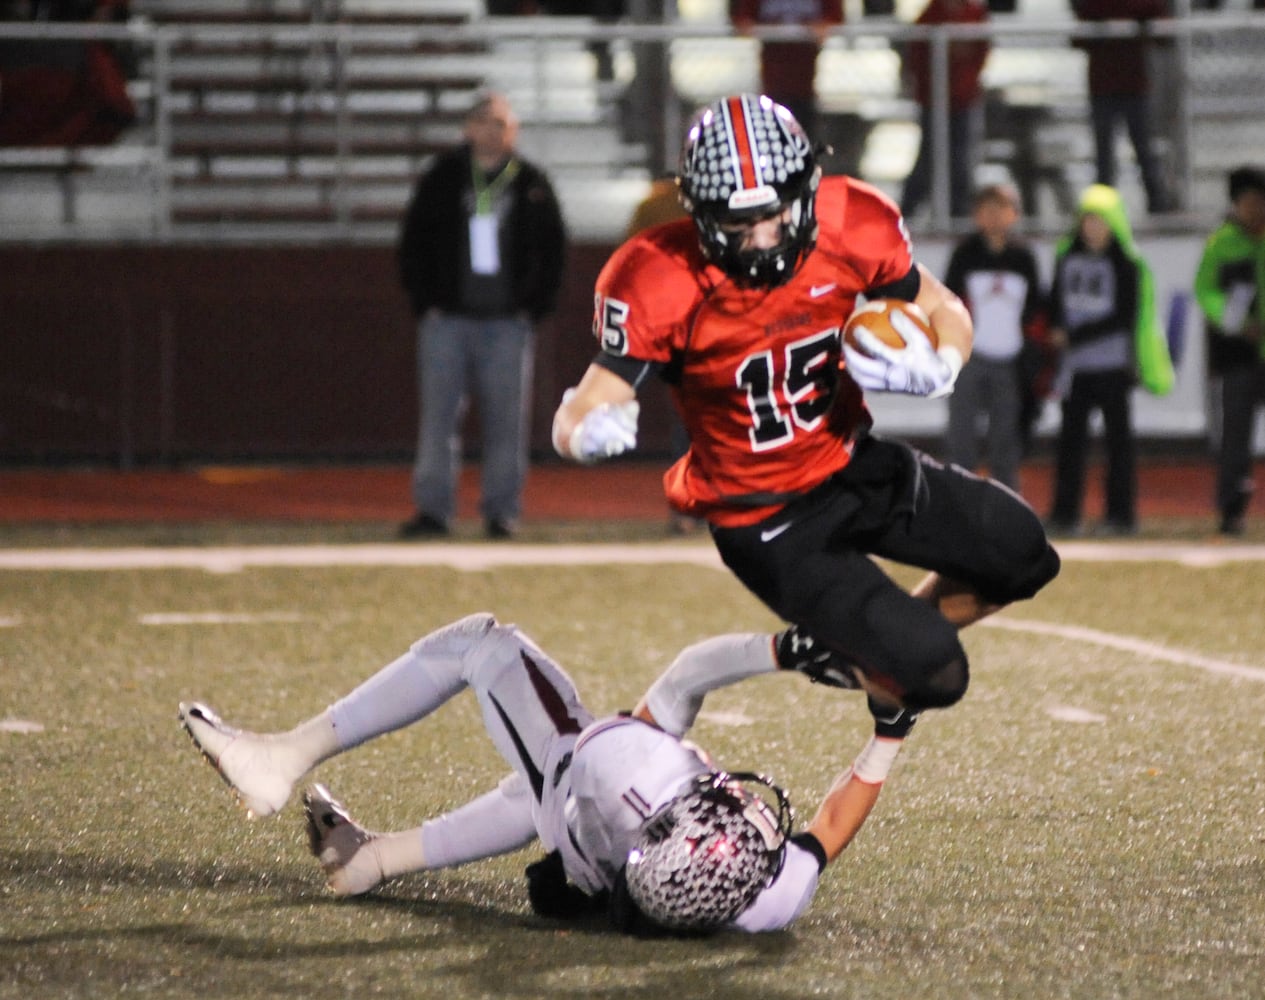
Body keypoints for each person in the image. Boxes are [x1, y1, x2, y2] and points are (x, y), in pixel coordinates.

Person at [551, 93, 1060, 716]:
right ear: (702, 214)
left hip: (851, 462)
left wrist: (941, 365)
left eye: (775, 215)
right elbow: (591, 397)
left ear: (805, 189)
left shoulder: (851, 221)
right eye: (741, 226)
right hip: (763, 518)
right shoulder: (659, 272)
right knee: (938, 675)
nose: (764, 239)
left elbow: (942, 306)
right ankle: (866, 653)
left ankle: (867, 649)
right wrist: (582, 431)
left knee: (1021, 551)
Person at [178, 613, 915, 935]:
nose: (738, 802)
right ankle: (373, 860)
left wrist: (784, 650)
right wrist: (891, 731)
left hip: (580, 802)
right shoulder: (754, 899)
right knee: (532, 795)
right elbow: (828, 832)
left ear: (668, 816)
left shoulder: (632, 775)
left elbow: (689, 676)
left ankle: (282, 760)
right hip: (595, 873)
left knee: (484, 646)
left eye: (721, 803)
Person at [397, 92, 567, 540]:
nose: (493, 131)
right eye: (484, 121)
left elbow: (553, 250)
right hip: (447, 321)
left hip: (506, 323)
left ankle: (501, 510)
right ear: (468, 128)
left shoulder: (530, 182)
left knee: (506, 422)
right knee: (438, 419)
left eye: (502, 122)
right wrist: (426, 301)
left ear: (514, 130)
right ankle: (433, 510)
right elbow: (413, 241)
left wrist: (531, 307)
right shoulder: (443, 178)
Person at [1045, 183, 1173, 537]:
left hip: (1113, 367)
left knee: (1119, 446)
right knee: (1070, 444)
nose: (1093, 227)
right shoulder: (1066, 257)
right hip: (1076, 370)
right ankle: (1064, 513)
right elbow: (1054, 301)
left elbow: (1123, 316)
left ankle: (1121, 515)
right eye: (1087, 220)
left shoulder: (1126, 264)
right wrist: (1057, 331)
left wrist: (1073, 336)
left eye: (1100, 220)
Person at [942, 182, 1046, 492]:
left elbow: (1035, 310)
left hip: (1011, 361)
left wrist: (1034, 353)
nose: (994, 217)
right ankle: (958, 502)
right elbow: (947, 302)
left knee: (1006, 439)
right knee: (961, 437)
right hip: (970, 358)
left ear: (1014, 214)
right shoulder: (964, 254)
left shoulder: (1024, 257)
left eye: (1001, 209)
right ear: (976, 215)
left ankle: (1006, 507)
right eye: (986, 210)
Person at [1193, 166, 1265, 537]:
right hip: (1237, 354)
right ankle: (1232, 509)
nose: (1256, 210)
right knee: (1234, 437)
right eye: (1249, 202)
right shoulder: (1221, 243)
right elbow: (1205, 291)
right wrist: (1237, 323)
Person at [1072, 0, 1172, 214]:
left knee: (1144, 147)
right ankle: (1103, 209)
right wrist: (1104, 30)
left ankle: (1157, 202)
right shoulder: (1093, 6)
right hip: (1102, 86)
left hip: (1135, 85)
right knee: (1103, 152)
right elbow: (1077, 38)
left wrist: (1138, 28)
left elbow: (1165, 34)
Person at [898, 0, 991, 220]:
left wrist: (968, 85)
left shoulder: (974, 12)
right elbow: (917, 55)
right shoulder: (933, 12)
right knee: (928, 159)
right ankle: (907, 212)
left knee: (961, 159)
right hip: (934, 102)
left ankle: (958, 214)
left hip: (963, 101)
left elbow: (981, 52)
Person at [729, 0, 844, 143]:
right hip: (773, 83)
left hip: (804, 84)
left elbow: (835, 17)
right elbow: (743, 20)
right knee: (772, 138)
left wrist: (819, 27)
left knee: (804, 137)